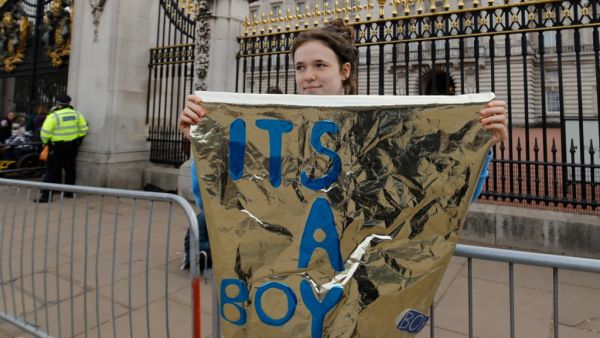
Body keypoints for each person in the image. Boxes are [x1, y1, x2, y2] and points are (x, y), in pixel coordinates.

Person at [178, 19, 507, 202]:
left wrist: (480, 146)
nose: (308, 76)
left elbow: (440, 194)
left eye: (320, 65)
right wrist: (201, 145)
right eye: (301, 67)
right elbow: (224, 196)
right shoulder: (271, 125)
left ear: (345, 71)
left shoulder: (381, 126)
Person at [34, 94, 89, 203]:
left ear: (58, 104)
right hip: (72, 146)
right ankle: (69, 193)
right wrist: (76, 140)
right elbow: (84, 129)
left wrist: (46, 143)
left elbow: (44, 133)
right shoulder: (77, 114)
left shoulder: (53, 116)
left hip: (56, 146)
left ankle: (46, 196)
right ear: (68, 104)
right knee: (70, 169)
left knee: (52, 170)